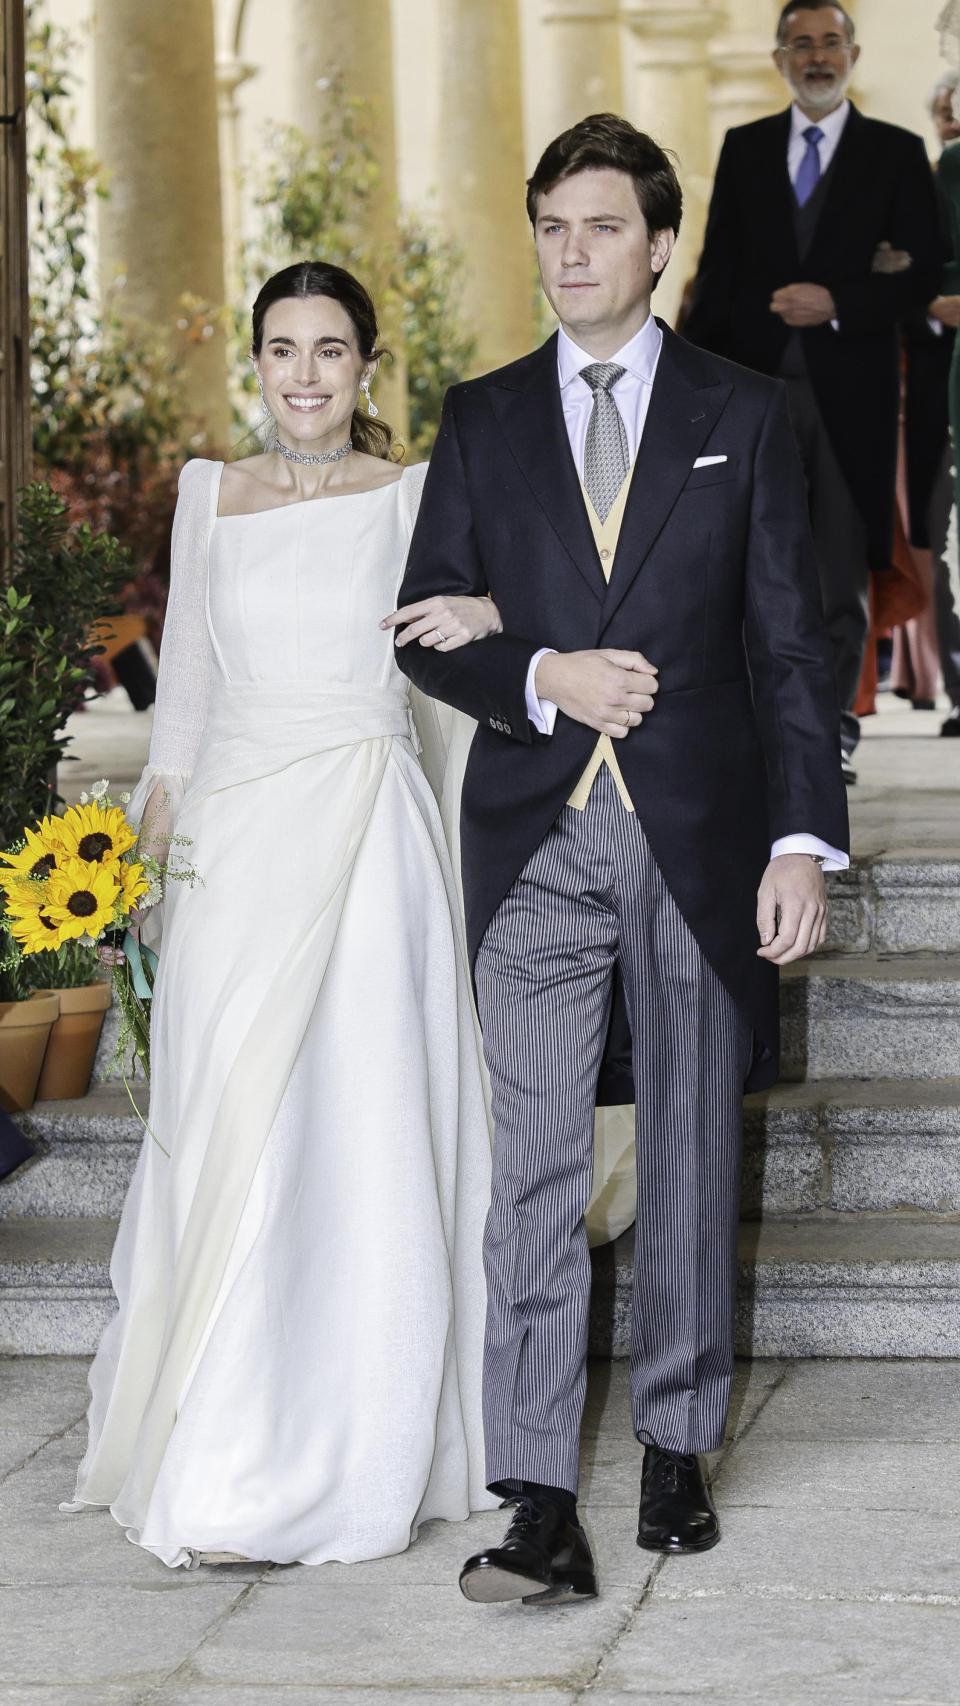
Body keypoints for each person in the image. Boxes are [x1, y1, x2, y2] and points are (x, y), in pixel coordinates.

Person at [385, 113, 849, 1607]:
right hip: (535, 840)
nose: (572, 251)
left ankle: (672, 1442)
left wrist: (800, 841)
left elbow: (790, 642)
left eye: (601, 226)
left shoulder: (749, 409)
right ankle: (533, 1492)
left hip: (702, 839)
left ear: (659, 244)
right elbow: (427, 622)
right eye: (553, 226)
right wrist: (541, 676)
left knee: (697, 1146)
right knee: (530, 1171)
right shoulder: (485, 416)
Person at [63, 261, 500, 1568]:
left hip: (369, 831)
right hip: (237, 845)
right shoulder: (210, 493)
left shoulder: (414, 494)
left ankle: (358, 1438)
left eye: (329, 349)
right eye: (281, 349)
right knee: (236, 1126)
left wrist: (493, 613)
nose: (304, 373)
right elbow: (183, 699)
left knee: (357, 1123)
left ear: (369, 367)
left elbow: (459, 667)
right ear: (255, 363)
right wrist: (140, 868)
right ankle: (228, 1440)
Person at [683, 1, 941, 783]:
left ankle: (829, 730)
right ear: (779, 59)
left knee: (836, 569)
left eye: (831, 42)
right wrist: (690, 385)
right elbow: (719, 267)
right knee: (752, 563)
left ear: (853, 54)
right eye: (802, 43)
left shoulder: (895, 153)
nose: (818, 56)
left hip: (850, 398)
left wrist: (842, 301)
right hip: (754, 394)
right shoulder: (745, 148)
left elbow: (925, 269)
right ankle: (766, 722)